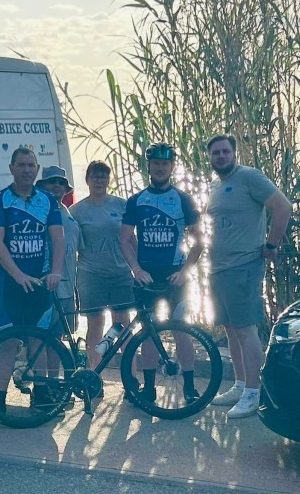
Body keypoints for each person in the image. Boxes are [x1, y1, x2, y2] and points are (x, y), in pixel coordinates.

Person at [205, 134, 292, 419]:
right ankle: (241, 384)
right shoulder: (217, 185)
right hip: (218, 268)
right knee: (230, 329)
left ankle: (254, 393)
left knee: (245, 329)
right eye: (215, 153)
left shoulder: (249, 177)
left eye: (225, 151)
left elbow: (283, 206)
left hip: (243, 266)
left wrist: (271, 244)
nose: (221, 156)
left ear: (233, 153)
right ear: (210, 157)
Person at [0, 148, 65, 424]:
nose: (27, 170)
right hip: (10, 284)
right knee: (8, 343)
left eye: (31, 165)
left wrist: (55, 271)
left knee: (38, 340)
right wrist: (17, 275)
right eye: (22, 165)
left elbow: (58, 239)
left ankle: (40, 395)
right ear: (12, 168)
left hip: (39, 282)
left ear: (37, 169)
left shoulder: (47, 200)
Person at [120, 143, 205, 404]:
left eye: (164, 164)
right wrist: (136, 269)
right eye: (155, 163)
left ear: (172, 167)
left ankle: (189, 387)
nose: (160, 168)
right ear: (149, 166)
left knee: (182, 331)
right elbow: (124, 239)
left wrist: (185, 271)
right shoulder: (136, 200)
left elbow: (199, 241)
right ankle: (149, 388)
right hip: (146, 276)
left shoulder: (183, 199)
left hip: (174, 276)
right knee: (149, 333)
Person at [70, 160, 136, 371]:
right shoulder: (76, 211)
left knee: (122, 323)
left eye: (103, 176)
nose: (99, 180)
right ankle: (94, 374)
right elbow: (71, 245)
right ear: (87, 180)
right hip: (91, 274)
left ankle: (131, 377)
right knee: (95, 323)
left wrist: (139, 267)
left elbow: (131, 239)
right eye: (94, 176)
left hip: (121, 272)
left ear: (109, 180)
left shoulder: (121, 205)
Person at [35, 165, 79, 335]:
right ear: (43, 186)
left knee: (60, 336)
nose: (57, 186)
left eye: (61, 183)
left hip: (68, 285)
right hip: (50, 285)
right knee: (44, 336)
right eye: (52, 182)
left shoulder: (67, 212)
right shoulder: (39, 211)